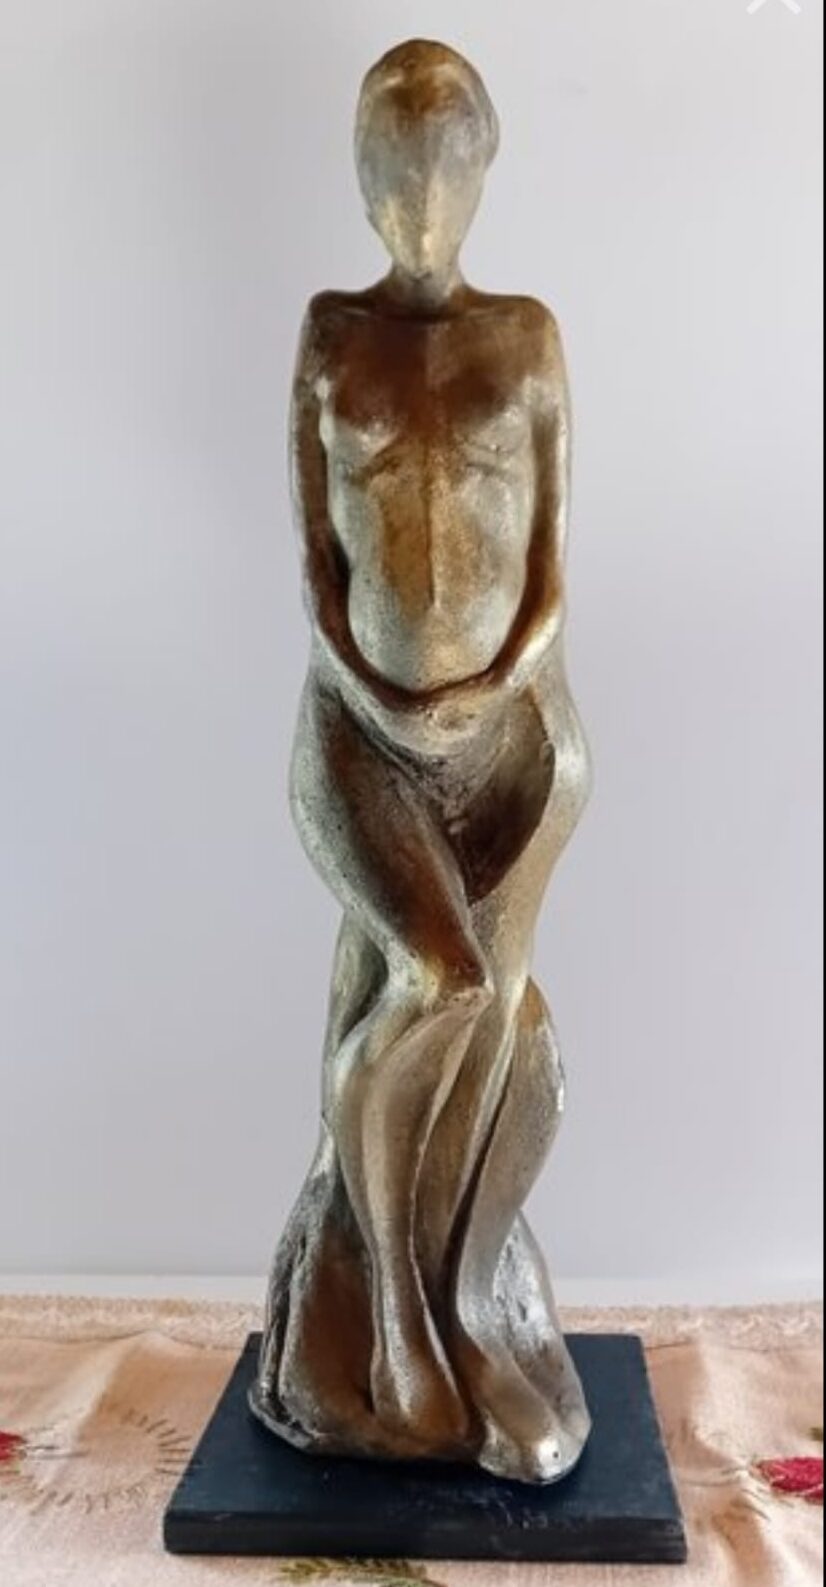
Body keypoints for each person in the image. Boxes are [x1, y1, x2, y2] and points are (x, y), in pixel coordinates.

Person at [252, 39, 591, 1484]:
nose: (418, 205)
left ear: (484, 171)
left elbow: (552, 572)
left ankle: (474, 1308)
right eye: (392, 175)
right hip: (358, 731)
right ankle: (386, 1312)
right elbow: (317, 571)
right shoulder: (331, 336)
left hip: (513, 739)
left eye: (443, 173)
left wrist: (491, 690)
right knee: (433, 981)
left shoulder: (526, 338)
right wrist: (380, 691)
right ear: (361, 180)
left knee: (504, 1022)